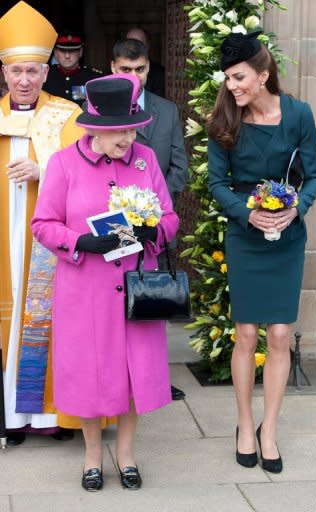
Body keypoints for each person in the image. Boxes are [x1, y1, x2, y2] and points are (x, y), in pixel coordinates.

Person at [31, 73, 179, 491]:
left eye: (133, 128)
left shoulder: (145, 161)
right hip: (85, 290)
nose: (129, 138)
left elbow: (169, 216)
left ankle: (126, 453)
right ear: (96, 129)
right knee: (91, 373)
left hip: (135, 286)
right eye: (120, 131)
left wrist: (156, 232)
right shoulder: (63, 164)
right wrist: (81, 241)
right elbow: (42, 225)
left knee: (133, 374)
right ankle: (93, 454)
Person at [207, 31, 316, 473]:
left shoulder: (299, 115)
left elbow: (314, 176)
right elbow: (217, 183)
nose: (232, 86)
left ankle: (268, 431)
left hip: (287, 237)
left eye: (238, 78)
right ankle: (243, 424)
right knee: (248, 334)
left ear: (263, 73)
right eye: (228, 79)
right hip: (245, 234)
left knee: (278, 335)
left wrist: (295, 211)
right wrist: (245, 214)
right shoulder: (224, 119)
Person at [0, 1, 85, 446]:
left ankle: (52, 414)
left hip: (46, 243)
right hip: (3, 242)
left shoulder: (66, 117)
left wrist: (44, 171)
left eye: (33, 71)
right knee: (7, 322)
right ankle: (12, 418)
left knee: (48, 320)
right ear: (4, 72)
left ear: (46, 72)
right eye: (17, 72)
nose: (25, 80)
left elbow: (87, 178)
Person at [111, 38, 188, 401]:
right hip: (112, 229)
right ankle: (116, 379)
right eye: (125, 70)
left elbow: (179, 167)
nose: (133, 76)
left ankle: (155, 379)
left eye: (139, 69)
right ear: (113, 69)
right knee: (112, 311)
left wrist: (152, 206)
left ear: (148, 68)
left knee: (150, 308)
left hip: (151, 227)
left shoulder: (167, 110)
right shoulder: (97, 109)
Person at [44, 31, 103, 106]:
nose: (67, 56)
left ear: (81, 52)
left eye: (72, 51)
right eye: (62, 51)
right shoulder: (44, 76)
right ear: (55, 52)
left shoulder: (94, 78)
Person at [125, 27, 165, 97]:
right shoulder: (114, 73)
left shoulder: (160, 74)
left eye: (139, 43)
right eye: (129, 43)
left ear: (147, 45)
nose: (133, 48)